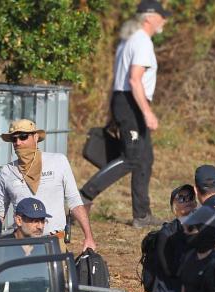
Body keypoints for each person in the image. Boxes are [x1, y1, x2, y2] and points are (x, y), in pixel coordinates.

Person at [79, 0, 171, 229]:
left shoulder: (129, 40)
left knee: (145, 158)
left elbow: (119, 80)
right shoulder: (141, 42)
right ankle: (84, 197)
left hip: (125, 101)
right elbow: (134, 79)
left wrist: (115, 111)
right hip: (132, 103)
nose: (164, 21)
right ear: (150, 17)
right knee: (132, 158)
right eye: (162, 16)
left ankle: (142, 215)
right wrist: (147, 113)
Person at [0, 119, 96, 252]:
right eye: (14, 139)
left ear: (35, 137)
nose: (18, 143)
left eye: (23, 137)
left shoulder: (58, 161)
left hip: (54, 242)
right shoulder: (7, 171)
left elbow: (74, 201)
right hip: (21, 245)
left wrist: (89, 237)